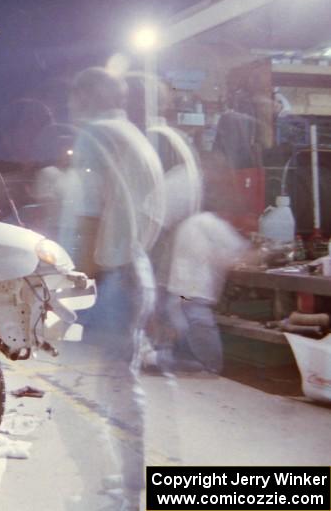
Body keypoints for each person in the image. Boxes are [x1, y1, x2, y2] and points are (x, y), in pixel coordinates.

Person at [57, 67, 165, 510]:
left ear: (85, 96)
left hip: (104, 279)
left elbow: (88, 215)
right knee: (121, 388)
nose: (68, 105)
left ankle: (103, 495)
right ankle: (128, 492)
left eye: (72, 96)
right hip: (134, 270)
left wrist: (74, 287)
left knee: (73, 397)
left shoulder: (95, 136)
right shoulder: (137, 139)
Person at [147, 211, 250, 374]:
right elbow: (239, 255)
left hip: (180, 296)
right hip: (191, 296)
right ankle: (156, 359)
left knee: (188, 348)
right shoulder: (209, 222)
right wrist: (265, 254)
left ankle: (157, 359)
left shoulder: (186, 225)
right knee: (207, 358)